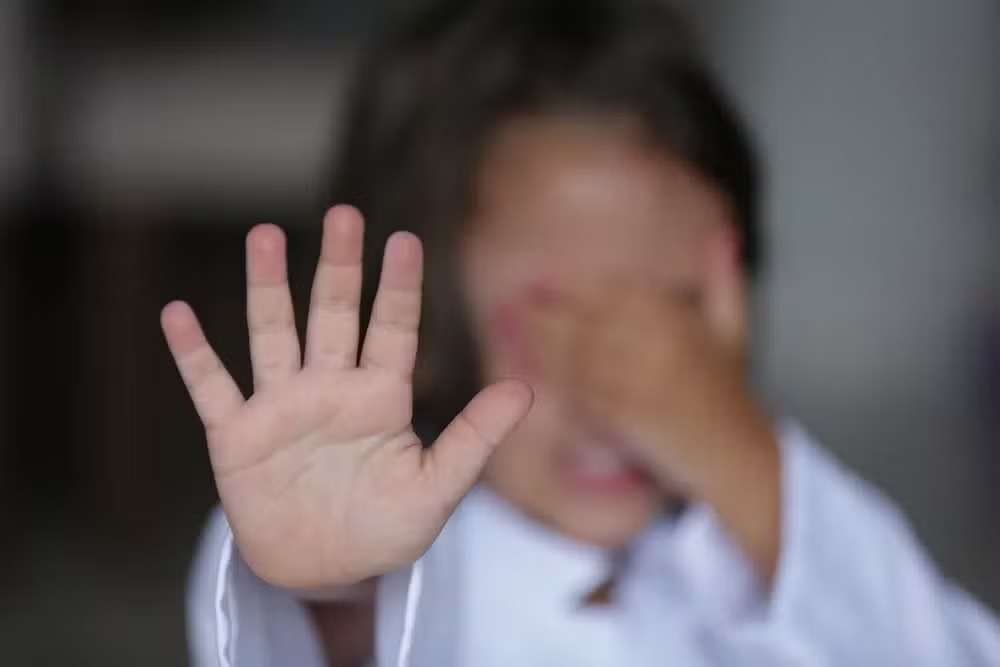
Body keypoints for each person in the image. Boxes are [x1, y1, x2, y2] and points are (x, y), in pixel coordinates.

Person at [161, 0, 1000, 665]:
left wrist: (743, 458)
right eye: (552, 320)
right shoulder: (414, 564)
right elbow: (336, 623)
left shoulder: (751, 549)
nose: (622, 384)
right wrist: (330, 585)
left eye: (671, 312)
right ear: (420, 327)